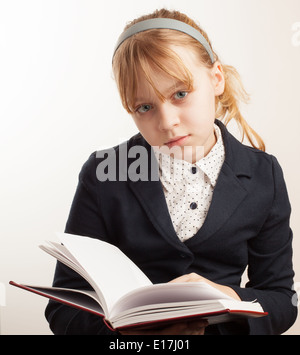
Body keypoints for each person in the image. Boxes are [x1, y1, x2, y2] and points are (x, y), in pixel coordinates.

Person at [45, 8, 297, 335]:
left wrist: (230, 299)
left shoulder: (265, 175)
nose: (166, 122)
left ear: (216, 79)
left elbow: (281, 300)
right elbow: (64, 307)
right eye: (145, 107)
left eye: (180, 94)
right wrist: (125, 331)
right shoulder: (103, 173)